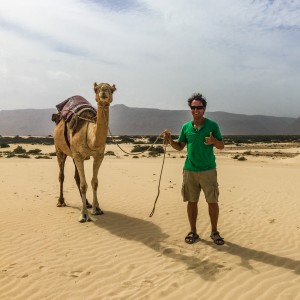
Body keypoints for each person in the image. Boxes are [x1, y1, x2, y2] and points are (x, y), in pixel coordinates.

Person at [164, 93, 225, 245]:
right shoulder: (186, 127)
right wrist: (170, 140)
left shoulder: (212, 126)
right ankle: (193, 231)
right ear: (190, 109)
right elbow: (179, 147)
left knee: (212, 202)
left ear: (204, 109)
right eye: (193, 107)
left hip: (208, 170)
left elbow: (221, 146)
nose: (196, 110)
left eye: (199, 107)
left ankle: (214, 232)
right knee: (191, 202)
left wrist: (213, 141)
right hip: (190, 170)